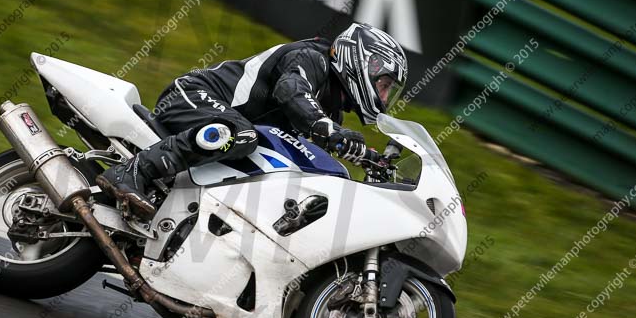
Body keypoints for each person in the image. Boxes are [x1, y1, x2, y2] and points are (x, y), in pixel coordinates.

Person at [97, 22, 408, 220]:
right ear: (364, 62)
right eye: (383, 85)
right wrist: (331, 131)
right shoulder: (311, 58)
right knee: (242, 134)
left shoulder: (331, 108)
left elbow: (314, 151)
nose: (383, 98)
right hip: (192, 95)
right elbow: (292, 92)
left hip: (219, 121)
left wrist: (370, 160)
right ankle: (133, 171)